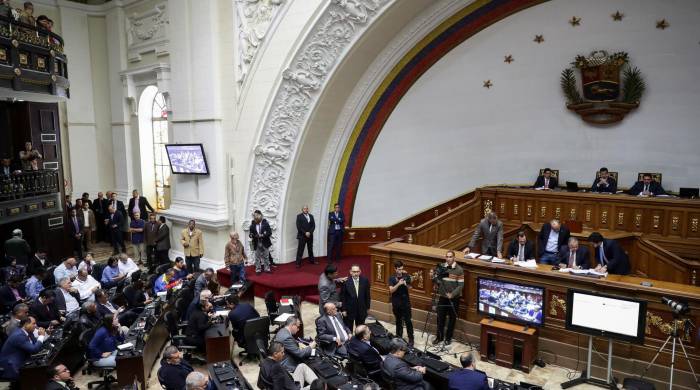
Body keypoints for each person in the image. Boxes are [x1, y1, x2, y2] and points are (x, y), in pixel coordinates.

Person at [431, 250, 464, 345]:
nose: (448, 258)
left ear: (454, 258)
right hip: (443, 297)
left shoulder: (459, 269)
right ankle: (439, 337)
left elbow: (461, 285)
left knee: (452, 319)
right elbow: (437, 279)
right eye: (447, 257)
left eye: (450, 257)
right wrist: (434, 278)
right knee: (440, 318)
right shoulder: (441, 267)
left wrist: (452, 294)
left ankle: (448, 338)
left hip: (454, 298)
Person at [389, 260, 414, 346]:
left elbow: (410, 287)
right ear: (395, 269)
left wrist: (407, 284)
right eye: (399, 269)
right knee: (398, 321)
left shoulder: (406, 276)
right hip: (396, 303)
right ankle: (399, 337)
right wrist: (399, 284)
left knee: (408, 321)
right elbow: (391, 290)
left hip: (405, 302)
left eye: (402, 269)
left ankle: (411, 338)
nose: (400, 271)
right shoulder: (391, 278)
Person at [340, 264, 370, 329]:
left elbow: (367, 295)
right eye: (354, 272)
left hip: (361, 309)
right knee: (348, 328)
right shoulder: (346, 282)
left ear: (360, 272)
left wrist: (367, 307)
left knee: (360, 329)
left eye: (357, 271)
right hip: (349, 310)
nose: (356, 273)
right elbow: (343, 297)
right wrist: (343, 309)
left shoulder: (365, 280)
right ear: (350, 272)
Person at [249, 210, 272, 274]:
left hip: (265, 242)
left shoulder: (266, 223)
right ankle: (258, 270)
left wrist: (263, 235)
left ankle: (267, 269)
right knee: (257, 257)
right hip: (256, 242)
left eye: (256, 216)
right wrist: (251, 235)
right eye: (254, 216)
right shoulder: (252, 224)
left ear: (260, 215)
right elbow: (250, 233)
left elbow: (270, 232)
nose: (255, 217)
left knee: (266, 256)